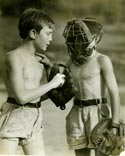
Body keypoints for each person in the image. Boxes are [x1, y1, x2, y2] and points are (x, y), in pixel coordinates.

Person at [0, 8, 65, 155]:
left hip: (34, 115)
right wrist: (52, 84)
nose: (51, 38)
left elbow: (35, 96)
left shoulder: (40, 61)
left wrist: (52, 72)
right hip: (14, 115)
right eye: (48, 34)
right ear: (33, 33)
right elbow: (21, 97)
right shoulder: (13, 58)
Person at [62, 18, 120, 156]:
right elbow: (59, 87)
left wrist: (115, 124)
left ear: (94, 38)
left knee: (105, 152)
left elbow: (114, 93)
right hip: (77, 112)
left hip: (99, 113)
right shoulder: (70, 62)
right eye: (75, 38)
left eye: (80, 38)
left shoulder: (102, 60)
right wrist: (48, 66)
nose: (76, 42)